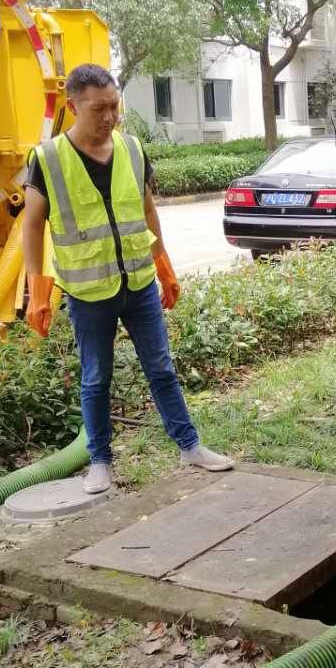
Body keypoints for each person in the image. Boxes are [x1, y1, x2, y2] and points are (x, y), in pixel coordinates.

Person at [22, 64, 233, 493]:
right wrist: (36, 290)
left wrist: (164, 265)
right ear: (72, 106)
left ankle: (190, 446)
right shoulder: (48, 159)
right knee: (96, 377)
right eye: (98, 109)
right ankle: (99, 461)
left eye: (115, 106)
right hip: (88, 293)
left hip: (138, 286)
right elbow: (32, 225)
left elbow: (147, 208)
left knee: (161, 368)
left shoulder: (133, 149)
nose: (109, 117)